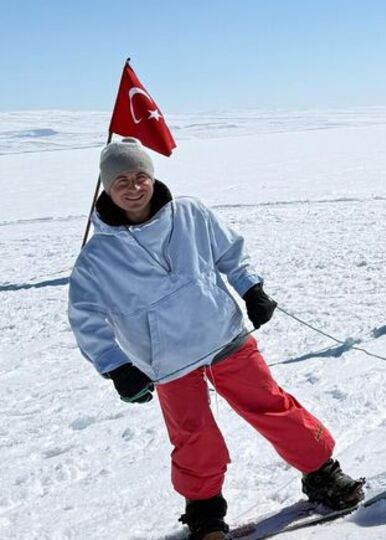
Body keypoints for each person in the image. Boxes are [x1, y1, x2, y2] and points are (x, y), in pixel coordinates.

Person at [68, 138, 364, 540]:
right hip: (167, 361)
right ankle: (205, 514)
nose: (134, 186)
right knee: (194, 436)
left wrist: (251, 289)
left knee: (272, 406)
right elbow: (86, 318)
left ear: (153, 177)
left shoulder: (190, 213)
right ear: (106, 187)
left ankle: (324, 475)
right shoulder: (96, 258)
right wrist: (116, 367)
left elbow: (231, 253)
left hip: (224, 335)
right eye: (122, 179)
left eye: (141, 176)